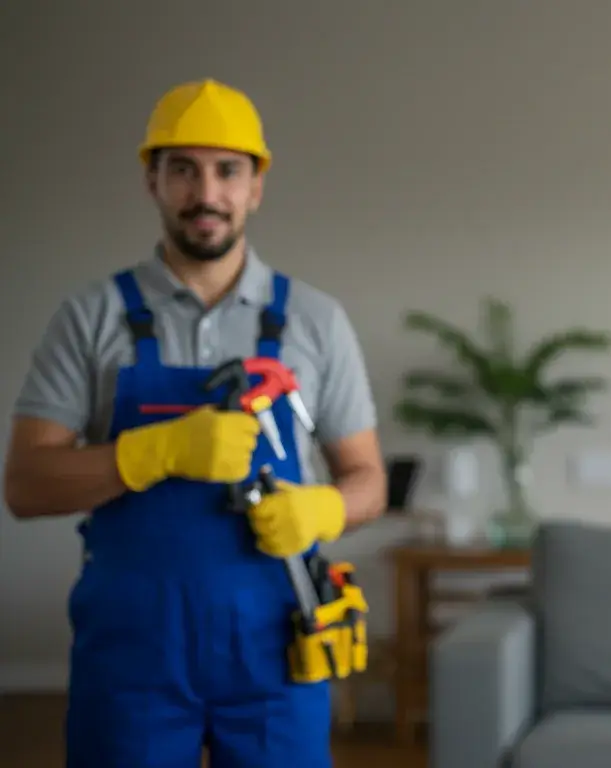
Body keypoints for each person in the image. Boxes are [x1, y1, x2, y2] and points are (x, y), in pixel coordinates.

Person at [2, 78, 386, 767]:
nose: (206, 193)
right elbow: (25, 486)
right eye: (183, 169)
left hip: (278, 649)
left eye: (227, 170)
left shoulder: (316, 321)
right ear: (151, 181)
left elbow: (369, 481)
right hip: (131, 656)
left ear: (256, 186)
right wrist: (153, 453)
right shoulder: (89, 317)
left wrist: (324, 509)